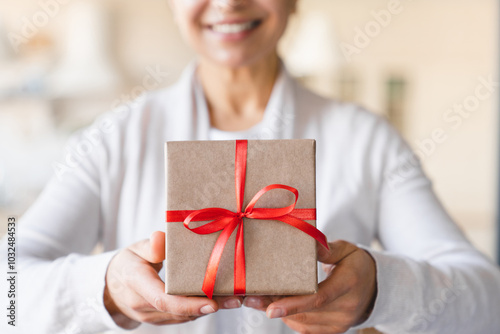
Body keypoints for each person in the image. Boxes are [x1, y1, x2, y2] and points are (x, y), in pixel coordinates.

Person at [2, 0, 500, 333]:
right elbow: (8, 283)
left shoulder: (366, 136)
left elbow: (487, 299)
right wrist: (105, 287)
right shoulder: (116, 134)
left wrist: (383, 291)